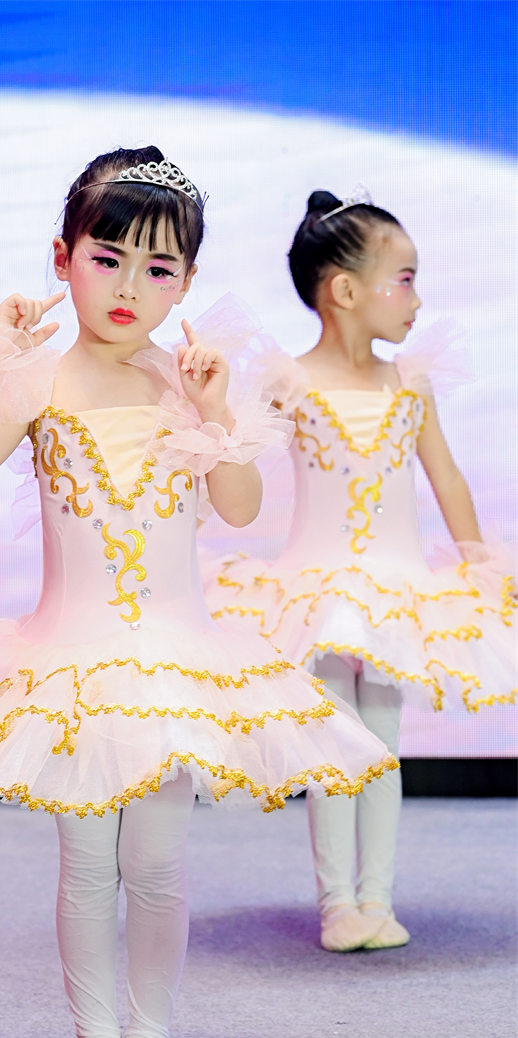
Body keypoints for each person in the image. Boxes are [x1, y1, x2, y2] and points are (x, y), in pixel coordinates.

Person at [0, 152, 396, 1038]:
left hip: (176, 663)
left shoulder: (185, 383)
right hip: (68, 663)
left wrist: (216, 413)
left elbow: (239, 504)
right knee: (87, 862)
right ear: (63, 259)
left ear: (186, 281)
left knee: (157, 861)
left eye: (159, 268)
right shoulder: (37, 380)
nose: (130, 287)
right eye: (107, 259)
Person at [206, 188, 517, 955]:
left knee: (380, 741)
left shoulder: (410, 382)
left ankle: (376, 896)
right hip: (314, 592)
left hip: (397, 589)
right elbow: (235, 459)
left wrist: (480, 564)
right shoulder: (287, 380)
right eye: (404, 279)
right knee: (331, 742)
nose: (417, 298)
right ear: (344, 290)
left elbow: (446, 477)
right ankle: (337, 903)